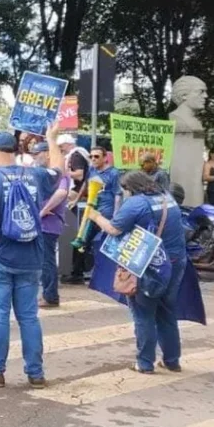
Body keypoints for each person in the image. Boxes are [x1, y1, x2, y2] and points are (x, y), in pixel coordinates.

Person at [0, 128, 64, 389]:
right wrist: (52, 140)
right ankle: (36, 373)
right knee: (29, 317)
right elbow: (59, 170)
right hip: (31, 256)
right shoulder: (36, 175)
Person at [85, 170, 187, 373]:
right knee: (167, 313)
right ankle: (172, 360)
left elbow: (114, 228)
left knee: (144, 314)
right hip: (174, 262)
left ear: (131, 188)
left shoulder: (137, 203)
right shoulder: (168, 198)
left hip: (147, 265)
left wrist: (95, 216)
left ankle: (145, 363)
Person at [65, 145, 119, 284]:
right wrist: (76, 200)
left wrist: (115, 214)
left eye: (96, 156)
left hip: (105, 213)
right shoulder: (92, 170)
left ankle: (106, 275)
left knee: (103, 244)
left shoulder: (113, 173)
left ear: (105, 158)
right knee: (81, 240)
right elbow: (85, 185)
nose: (93, 159)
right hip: (91, 210)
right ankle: (77, 273)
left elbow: (117, 194)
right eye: (91, 156)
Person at [31, 141, 70, 308]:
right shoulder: (44, 173)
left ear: (48, 154)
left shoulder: (59, 175)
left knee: (46, 260)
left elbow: (61, 193)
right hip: (42, 222)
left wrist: (43, 210)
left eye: (37, 153)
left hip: (49, 222)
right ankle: (47, 294)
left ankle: (50, 295)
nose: (34, 157)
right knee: (43, 260)